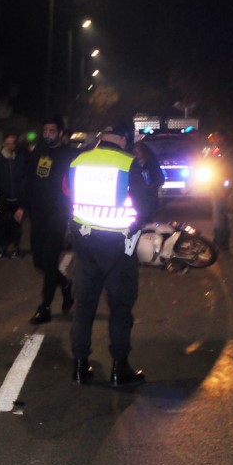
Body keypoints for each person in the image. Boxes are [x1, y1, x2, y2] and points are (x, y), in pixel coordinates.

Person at [67, 124, 159, 387]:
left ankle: (79, 366)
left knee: (84, 306)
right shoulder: (128, 163)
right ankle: (120, 369)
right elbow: (147, 205)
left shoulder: (79, 159)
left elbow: (67, 196)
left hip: (84, 241)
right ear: (123, 139)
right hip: (118, 245)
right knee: (120, 307)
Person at [21, 118, 76, 325]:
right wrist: (23, 206)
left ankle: (44, 307)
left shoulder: (68, 155)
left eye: (52, 130)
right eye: (45, 130)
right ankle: (65, 285)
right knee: (39, 261)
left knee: (50, 258)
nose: (47, 134)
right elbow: (30, 180)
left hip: (58, 214)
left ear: (60, 133)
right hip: (39, 214)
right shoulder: (38, 153)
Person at [0, 132, 26, 258]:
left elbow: (23, 178)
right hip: (2, 198)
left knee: (17, 225)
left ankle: (16, 248)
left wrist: (22, 198)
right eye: (8, 143)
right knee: (1, 225)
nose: (10, 146)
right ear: (3, 143)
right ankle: (2, 248)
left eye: (12, 143)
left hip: (17, 198)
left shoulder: (19, 159)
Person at [207, 131, 233, 250]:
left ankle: (221, 241)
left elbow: (230, 172)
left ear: (223, 137)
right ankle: (221, 240)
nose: (214, 139)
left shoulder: (228, 150)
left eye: (217, 137)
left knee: (219, 213)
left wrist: (224, 188)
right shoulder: (217, 149)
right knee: (219, 213)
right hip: (216, 185)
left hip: (220, 186)